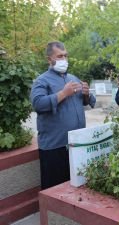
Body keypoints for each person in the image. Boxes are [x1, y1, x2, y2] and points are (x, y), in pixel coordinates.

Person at [30, 41, 96, 189]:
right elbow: (38, 104)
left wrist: (86, 94)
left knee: (77, 186)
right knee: (56, 189)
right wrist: (63, 93)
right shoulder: (42, 81)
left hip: (76, 144)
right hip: (55, 147)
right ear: (49, 59)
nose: (64, 60)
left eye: (65, 56)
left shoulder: (73, 78)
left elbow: (88, 102)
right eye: (59, 56)